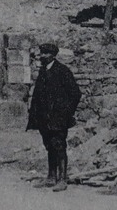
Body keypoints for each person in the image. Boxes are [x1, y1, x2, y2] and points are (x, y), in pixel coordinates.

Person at [25, 42, 81, 191]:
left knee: (59, 146)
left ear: (52, 55)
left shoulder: (62, 71)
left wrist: (66, 113)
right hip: (44, 119)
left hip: (58, 119)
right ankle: (51, 177)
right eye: (41, 53)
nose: (42, 56)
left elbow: (75, 94)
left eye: (45, 54)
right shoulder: (43, 71)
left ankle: (62, 179)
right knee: (49, 146)